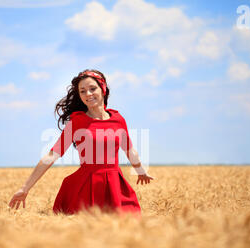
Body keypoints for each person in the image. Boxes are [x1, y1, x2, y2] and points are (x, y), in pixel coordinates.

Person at [8, 69, 153, 216]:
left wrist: (140, 171)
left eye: (92, 88)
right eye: (82, 91)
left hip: (115, 185)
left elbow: (129, 149)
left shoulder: (118, 119)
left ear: (103, 89)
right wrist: (25, 188)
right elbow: (52, 155)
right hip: (86, 186)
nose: (88, 94)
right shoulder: (77, 121)